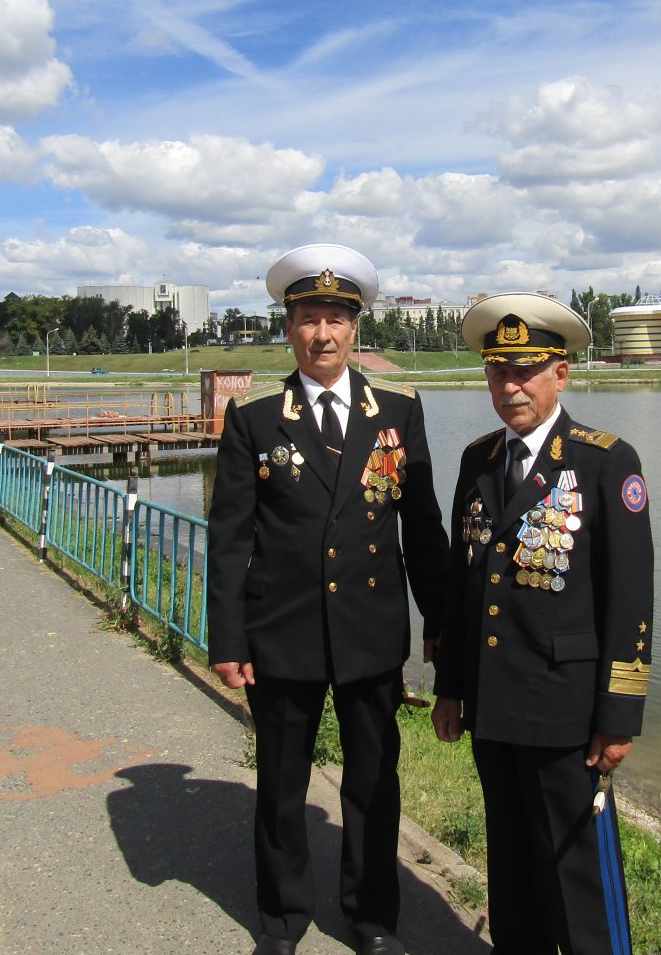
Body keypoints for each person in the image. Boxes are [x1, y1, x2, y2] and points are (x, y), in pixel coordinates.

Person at [207, 244, 448, 955]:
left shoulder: (398, 409)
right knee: (281, 784)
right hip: (281, 633)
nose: (322, 334)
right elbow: (229, 539)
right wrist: (227, 640)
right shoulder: (254, 417)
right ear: (288, 328)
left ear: (355, 328)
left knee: (372, 784)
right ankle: (281, 920)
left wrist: (440, 620)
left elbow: (422, 527)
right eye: (308, 319)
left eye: (335, 320)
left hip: (370, 631)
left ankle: (371, 919)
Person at [431, 291, 654, 955]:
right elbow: (462, 587)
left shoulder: (604, 461)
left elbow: (629, 597)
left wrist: (618, 714)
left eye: (525, 371)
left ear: (561, 373)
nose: (511, 387)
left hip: (565, 712)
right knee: (512, 866)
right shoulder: (478, 460)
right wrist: (450, 687)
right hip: (493, 706)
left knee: (578, 876)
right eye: (498, 371)